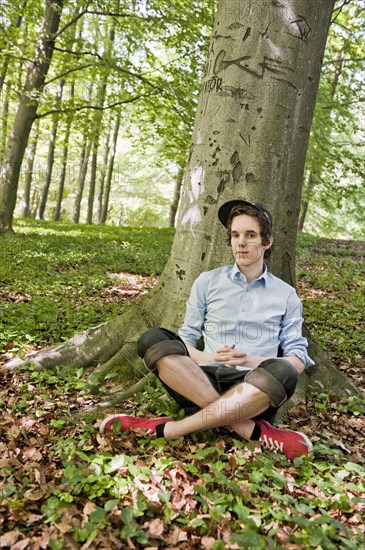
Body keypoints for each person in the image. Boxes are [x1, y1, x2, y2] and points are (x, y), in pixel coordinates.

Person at [99, 199, 314, 460]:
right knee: (154, 339)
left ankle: (169, 430)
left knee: (284, 370)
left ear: (267, 241)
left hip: (254, 390)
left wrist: (250, 360)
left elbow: (297, 360)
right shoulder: (207, 281)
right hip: (199, 381)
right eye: (235, 235)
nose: (240, 243)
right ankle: (249, 430)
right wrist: (209, 358)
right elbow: (185, 341)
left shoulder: (286, 294)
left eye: (250, 235)